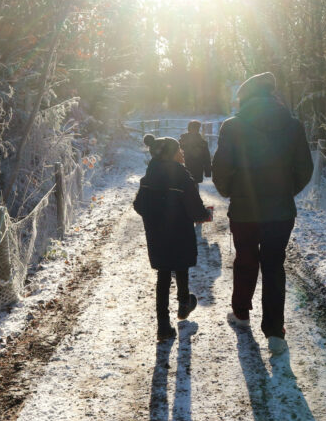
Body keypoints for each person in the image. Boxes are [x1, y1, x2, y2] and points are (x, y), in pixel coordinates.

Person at [212, 72, 313, 355]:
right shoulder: (293, 126)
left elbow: (220, 170)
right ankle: (275, 332)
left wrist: (234, 190)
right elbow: (305, 169)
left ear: (245, 98)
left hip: (244, 210)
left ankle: (241, 314)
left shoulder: (233, 127)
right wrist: (284, 191)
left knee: (245, 258)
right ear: (273, 96)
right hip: (280, 212)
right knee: (273, 265)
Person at [133, 134, 210, 341]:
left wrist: (154, 216)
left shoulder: (148, 177)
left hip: (156, 235)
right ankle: (184, 304)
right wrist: (205, 215)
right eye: (179, 150)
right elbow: (194, 209)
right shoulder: (182, 176)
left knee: (163, 275)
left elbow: (139, 206)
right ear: (172, 153)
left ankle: (163, 326)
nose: (182, 153)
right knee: (181, 265)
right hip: (179, 232)